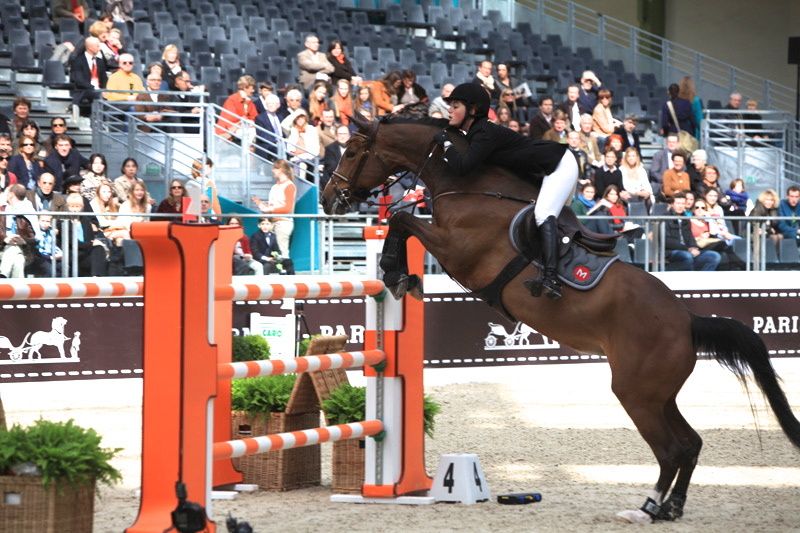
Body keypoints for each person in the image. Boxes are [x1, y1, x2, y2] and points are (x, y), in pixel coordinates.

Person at [434, 83, 576, 299]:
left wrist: (445, 143)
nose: (449, 110)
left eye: (455, 106)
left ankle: (552, 279)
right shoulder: (476, 132)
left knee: (542, 214)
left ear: (472, 110)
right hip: (546, 168)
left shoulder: (484, 132)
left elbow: (462, 167)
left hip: (559, 164)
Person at [251, 159, 297, 259]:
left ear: (281, 169)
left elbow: (288, 208)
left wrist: (269, 210)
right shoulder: (275, 186)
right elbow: (272, 206)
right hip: (272, 223)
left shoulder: (289, 186)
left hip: (283, 223)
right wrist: (260, 204)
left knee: (282, 252)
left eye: (275, 168)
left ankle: (286, 268)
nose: (272, 170)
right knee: (271, 252)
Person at [664, 192, 720, 271]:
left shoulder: (686, 219)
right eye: (678, 203)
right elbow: (667, 241)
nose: (680, 206)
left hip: (688, 250)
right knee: (687, 256)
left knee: (714, 256)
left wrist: (694, 247)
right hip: (671, 251)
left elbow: (690, 236)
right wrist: (687, 249)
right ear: (672, 204)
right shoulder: (665, 218)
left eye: (683, 203)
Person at [63, 192, 109, 276]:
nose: (74, 210)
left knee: (99, 249)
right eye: (72, 206)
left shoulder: (86, 221)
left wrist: (93, 244)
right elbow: (73, 242)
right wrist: (91, 244)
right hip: (73, 254)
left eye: (77, 206)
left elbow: (90, 239)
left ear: (82, 207)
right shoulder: (64, 222)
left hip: (85, 253)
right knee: (96, 247)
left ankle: (96, 277)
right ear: (67, 207)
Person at [0, 184, 38, 278]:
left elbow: (34, 238)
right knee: (19, 260)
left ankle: (3, 275)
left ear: (11, 195)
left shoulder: (27, 213)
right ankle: (18, 286)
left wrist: (23, 241)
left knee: (14, 248)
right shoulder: (2, 211)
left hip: (22, 249)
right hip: (2, 247)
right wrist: (5, 239)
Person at [215, 75, 258, 143]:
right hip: (228, 131)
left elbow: (254, 117)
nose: (253, 90)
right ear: (245, 88)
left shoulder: (249, 101)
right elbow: (230, 121)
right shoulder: (232, 100)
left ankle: (249, 149)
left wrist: (247, 120)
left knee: (255, 130)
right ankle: (248, 149)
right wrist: (244, 120)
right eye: (252, 88)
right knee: (251, 132)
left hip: (242, 128)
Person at [750, 189, 782, 257]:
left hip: (767, 232)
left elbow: (775, 223)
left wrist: (770, 229)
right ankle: (770, 258)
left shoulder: (773, 210)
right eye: (767, 200)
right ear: (762, 200)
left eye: (771, 200)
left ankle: (778, 258)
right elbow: (754, 223)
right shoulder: (757, 209)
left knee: (780, 236)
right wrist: (769, 229)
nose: (769, 202)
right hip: (752, 232)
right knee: (774, 237)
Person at [254, 93, 283, 161]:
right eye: (268, 103)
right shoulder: (260, 118)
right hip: (268, 148)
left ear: (278, 105)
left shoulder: (280, 116)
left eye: (273, 103)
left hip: (281, 146)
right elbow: (261, 134)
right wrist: (276, 141)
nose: (270, 105)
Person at [322, 124, 350, 191]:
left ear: (349, 136)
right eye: (340, 134)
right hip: (334, 182)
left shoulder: (354, 148)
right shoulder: (330, 148)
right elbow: (331, 168)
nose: (342, 136)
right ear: (336, 136)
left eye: (345, 134)